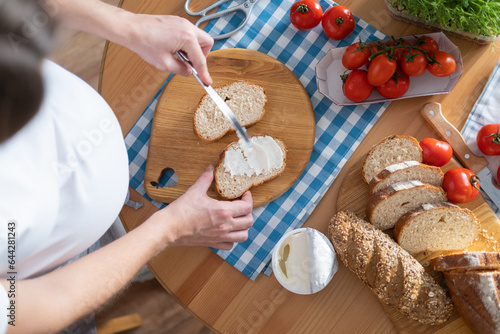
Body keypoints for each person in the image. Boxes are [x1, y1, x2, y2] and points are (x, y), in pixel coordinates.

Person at [0, 1, 254, 333]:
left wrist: (128, 25)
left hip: (86, 219)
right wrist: (167, 229)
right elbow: (25, 308)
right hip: (52, 274)